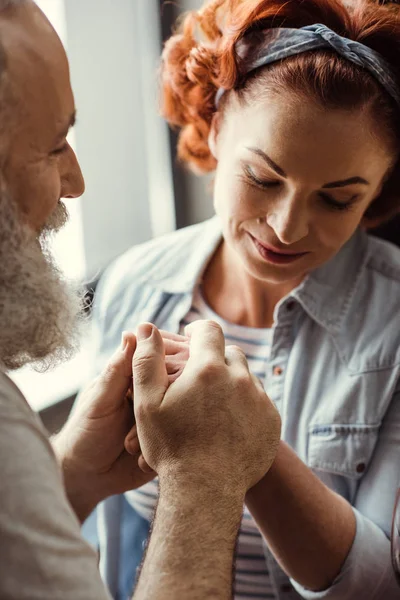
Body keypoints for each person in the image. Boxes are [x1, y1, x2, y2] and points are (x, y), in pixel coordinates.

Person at [94, 0, 400, 598]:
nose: (286, 228)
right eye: (262, 179)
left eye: (336, 200)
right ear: (212, 126)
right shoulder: (132, 284)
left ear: (381, 189)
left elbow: (383, 582)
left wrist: (242, 442)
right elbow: (113, 534)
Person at [0, 0, 282, 598]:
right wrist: (204, 479)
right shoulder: (135, 283)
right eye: (53, 147)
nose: (76, 182)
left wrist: (70, 474)